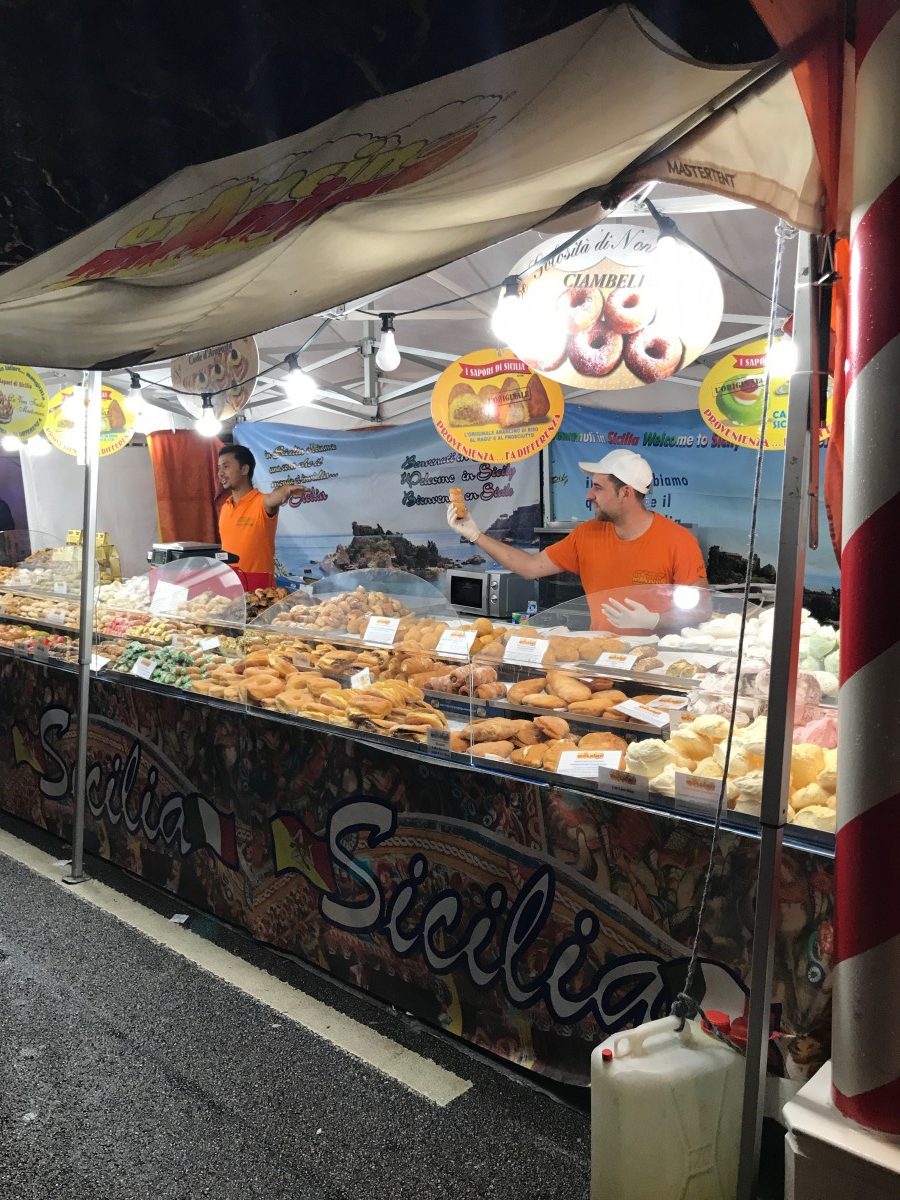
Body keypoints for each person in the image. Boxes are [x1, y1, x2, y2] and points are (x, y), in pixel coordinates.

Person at [446, 448, 708, 632]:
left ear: (626, 492)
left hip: (655, 668)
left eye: (598, 487)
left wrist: (654, 620)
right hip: (600, 659)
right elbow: (530, 567)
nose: (588, 495)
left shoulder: (678, 541)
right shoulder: (587, 534)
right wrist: (475, 535)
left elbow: (701, 609)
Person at [217, 444, 305, 586]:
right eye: (219, 467)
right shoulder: (225, 507)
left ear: (244, 469)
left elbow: (273, 499)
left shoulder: (261, 502)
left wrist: (286, 490)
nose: (220, 473)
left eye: (226, 467)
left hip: (261, 590)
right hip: (232, 587)